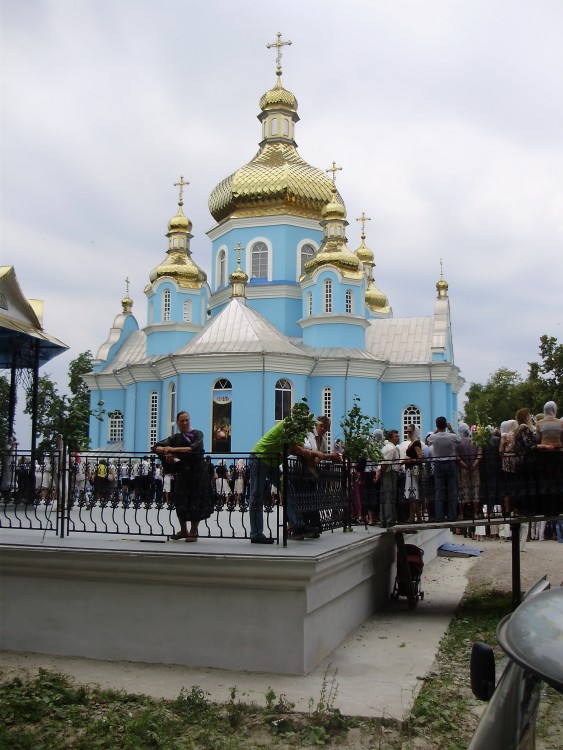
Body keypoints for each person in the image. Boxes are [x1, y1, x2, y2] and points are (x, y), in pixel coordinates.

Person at [248, 404, 328, 544]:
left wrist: (316, 454)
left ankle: (297, 525)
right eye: (305, 413)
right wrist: (317, 453)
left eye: (308, 413)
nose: (307, 416)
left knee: (288, 489)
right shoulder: (288, 425)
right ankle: (256, 533)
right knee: (257, 495)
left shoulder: (297, 429)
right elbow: (299, 450)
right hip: (260, 457)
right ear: (296, 414)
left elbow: (300, 449)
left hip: (272, 461)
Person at [153, 410, 213, 542]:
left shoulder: (197, 434)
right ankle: (183, 529)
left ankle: (193, 530)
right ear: (178, 423)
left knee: (195, 500)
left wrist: (172, 450)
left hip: (198, 473)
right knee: (180, 500)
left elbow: (194, 448)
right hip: (183, 472)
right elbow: (156, 446)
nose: (185, 423)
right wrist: (166, 453)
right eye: (182, 421)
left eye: (187, 420)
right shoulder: (176, 438)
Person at [426, 417, 461, 522]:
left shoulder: (434, 437)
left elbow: (428, 440)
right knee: (452, 490)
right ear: (446, 425)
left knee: (439, 491)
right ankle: (452, 515)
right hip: (450, 463)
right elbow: (459, 440)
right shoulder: (451, 436)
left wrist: (437, 430)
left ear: (436, 425)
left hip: (438, 464)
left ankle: (439, 516)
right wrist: (451, 429)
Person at [456, 423, 482, 521]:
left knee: (463, 491)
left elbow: (457, 456)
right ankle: (475, 513)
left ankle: (461, 514)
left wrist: (465, 465)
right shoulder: (475, 441)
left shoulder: (458, 443)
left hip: (463, 470)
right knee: (475, 490)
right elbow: (479, 454)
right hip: (474, 469)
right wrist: (474, 465)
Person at [377, 429, 401, 528]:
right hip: (389, 473)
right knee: (389, 496)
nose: (398, 438)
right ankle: (389, 520)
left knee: (385, 496)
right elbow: (385, 463)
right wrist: (380, 473)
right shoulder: (391, 449)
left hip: (387, 473)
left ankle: (385, 519)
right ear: (390, 438)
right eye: (396, 436)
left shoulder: (386, 447)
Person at [404, 424, 423, 523]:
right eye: (407, 431)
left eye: (410, 431)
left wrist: (410, 459)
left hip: (413, 469)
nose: (408, 433)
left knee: (413, 494)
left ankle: (412, 516)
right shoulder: (412, 443)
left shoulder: (416, 443)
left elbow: (420, 458)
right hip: (409, 469)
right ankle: (418, 517)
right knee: (412, 493)